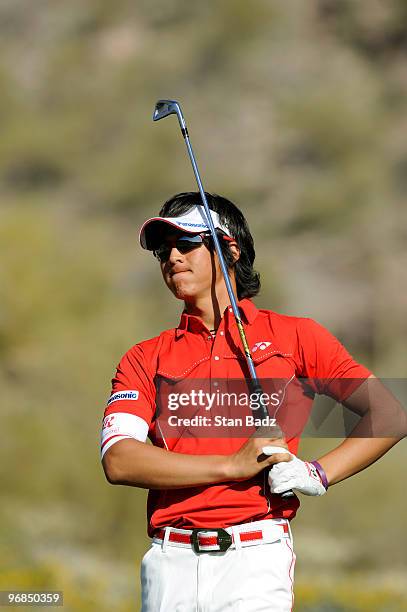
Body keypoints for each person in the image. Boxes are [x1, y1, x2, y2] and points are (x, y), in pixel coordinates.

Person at [101, 191, 404, 611]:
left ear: (230, 249)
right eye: (162, 249)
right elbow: (119, 460)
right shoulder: (144, 356)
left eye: (187, 243)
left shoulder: (296, 336)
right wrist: (230, 465)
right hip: (169, 563)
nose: (172, 257)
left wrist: (317, 473)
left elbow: (390, 412)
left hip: (255, 560)